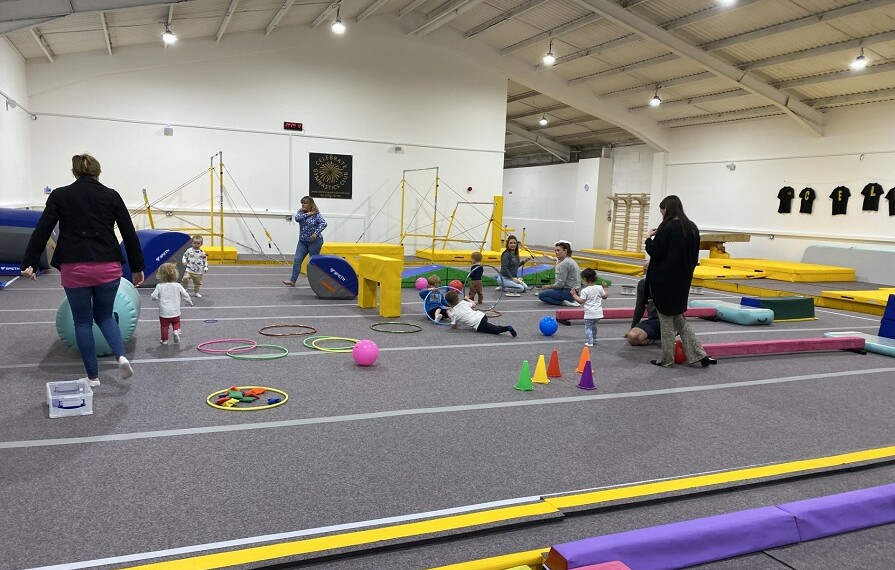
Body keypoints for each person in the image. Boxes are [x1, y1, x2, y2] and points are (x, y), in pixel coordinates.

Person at [20, 153, 144, 387]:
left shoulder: (60, 195)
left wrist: (30, 262)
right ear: (98, 172)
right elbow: (128, 232)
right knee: (105, 316)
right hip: (108, 265)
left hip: (75, 266)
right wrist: (137, 267)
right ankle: (121, 356)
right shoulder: (111, 195)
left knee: (83, 322)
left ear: (75, 172)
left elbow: (43, 230)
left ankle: (93, 377)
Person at [644, 195, 716, 368]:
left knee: (666, 321)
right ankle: (700, 354)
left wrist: (648, 238)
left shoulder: (667, 226)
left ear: (666, 209)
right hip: (683, 280)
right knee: (679, 320)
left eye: (661, 210)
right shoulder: (692, 227)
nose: (661, 214)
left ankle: (666, 359)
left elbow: (656, 251)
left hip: (664, 280)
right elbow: (694, 257)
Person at [284, 196, 327, 287]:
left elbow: (324, 223)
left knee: (313, 263)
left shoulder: (317, 214)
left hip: (314, 242)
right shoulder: (301, 212)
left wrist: (316, 233)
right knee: (297, 260)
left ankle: (316, 283)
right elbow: (297, 218)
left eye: (305, 203)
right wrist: (309, 214)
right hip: (303, 242)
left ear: (311, 204)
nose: (303, 205)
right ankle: (293, 280)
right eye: (302, 203)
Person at [151, 263, 193, 345]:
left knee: (164, 326)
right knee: (176, 323)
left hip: (164, 312)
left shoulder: (159, 286)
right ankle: (176, 331)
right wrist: (189, 301)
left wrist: (153, 298)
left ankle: (165, 340)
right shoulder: (177, 285)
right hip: (175, 311)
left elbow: (154, 296)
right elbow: (185, 294)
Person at [445, 290, 516, 337]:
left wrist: (449, 312)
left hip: (478, 323)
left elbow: (453, 326)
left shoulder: (454, 313)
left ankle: (507, 328)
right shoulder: (463, 303)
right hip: (481, 315)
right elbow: (474, 304)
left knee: (495, 329)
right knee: (490, 326)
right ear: (458, 298)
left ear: (448, 303)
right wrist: (467, 298)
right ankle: (505, 328)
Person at [571, 268, 608, 347]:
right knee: (593, 325)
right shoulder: (599, 287)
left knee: (588, 327)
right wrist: (605, 288)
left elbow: (581, 301)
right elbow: (605, 296)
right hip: (598, 313)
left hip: (590, 313)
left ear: (585, 279)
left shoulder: (585, 290)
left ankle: (589, 341)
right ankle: (594, 338)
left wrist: (574, 295)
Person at [537, 240, 581, 306]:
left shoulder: (564, 263)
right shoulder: (572, 261)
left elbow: (560, 284)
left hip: (569, 292)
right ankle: (570, 300)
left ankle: (564, 302)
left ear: (565, 251)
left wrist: (547, 286)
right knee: (548, 292)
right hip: (575, 292)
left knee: (541, 295)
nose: (556, 252)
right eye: (555, 250)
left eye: (558, 250)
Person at [624, 278, 660, 346]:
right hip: (654, 322)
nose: (644, 272)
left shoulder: (669, 281)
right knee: (633, 337)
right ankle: (655, 340)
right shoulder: (643, 283)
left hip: (670, 320)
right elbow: (640, 307)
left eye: (646, 270)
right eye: (644, 270)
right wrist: (633, 326)